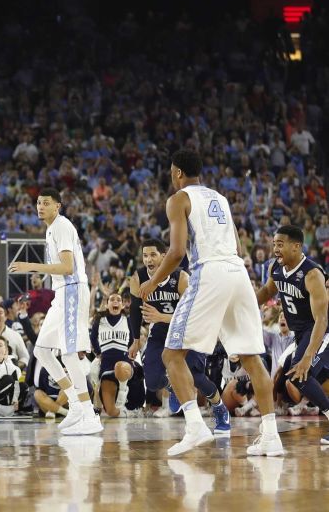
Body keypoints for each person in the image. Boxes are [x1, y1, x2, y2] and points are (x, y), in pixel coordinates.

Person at [140, 149, 281, 457]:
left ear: (177, 172)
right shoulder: (219, 198)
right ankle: (271, 436)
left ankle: (194, 426)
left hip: (211, 272)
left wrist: (152, 282)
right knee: (251, 357)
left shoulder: (178, 199)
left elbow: (176, 252)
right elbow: (239, 245)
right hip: (238, 272)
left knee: (171, 354)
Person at [9, 188, 102, 436]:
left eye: (46, 203)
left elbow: (67, 266)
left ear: (57, 206)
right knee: (41, 350)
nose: (40, 206)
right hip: (62, 293)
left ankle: (88, 413)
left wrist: (30, 266)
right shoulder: (51, 229)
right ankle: (74, 403)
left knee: (70, 354)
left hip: (72, 290)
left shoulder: (61, 226)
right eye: (38, 203)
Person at [129, 238, 229, 430]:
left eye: (153, 255)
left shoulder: (181, 277)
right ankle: (173, 386)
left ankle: (219, 408)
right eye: (145, 255)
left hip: (187, 331)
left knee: (195, 376)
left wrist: (161, 316)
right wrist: (135, 341)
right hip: (159, 333)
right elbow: (134, 311)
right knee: (152, 381)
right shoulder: (137, 279)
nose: (148, 259)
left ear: (163, 256)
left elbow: (192, 314)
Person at [255, 225, 329, 445]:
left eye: (280, 244)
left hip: (321, 331)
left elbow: (321, 320)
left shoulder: (312, 274)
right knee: (299, 376)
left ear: (296, 246)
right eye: (274, 244)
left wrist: (307, 357)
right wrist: (246, 304)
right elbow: (268, 291)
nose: (275, 248)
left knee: (300, 372)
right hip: (301, 332)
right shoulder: (275, 268)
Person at [90, 294, 134, 417]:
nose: (115, 302)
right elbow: (93, 338)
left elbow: (132, 339)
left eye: (119, 300)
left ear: (122, 305)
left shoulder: (128, 319)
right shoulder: (100, 320)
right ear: (107, 304)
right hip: (106, 362)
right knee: (111, 412)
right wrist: (98, 353)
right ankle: (121, 411)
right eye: (112, 300)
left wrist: (129, 351)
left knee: (120, 367)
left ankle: (122, 398)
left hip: (123, 360)